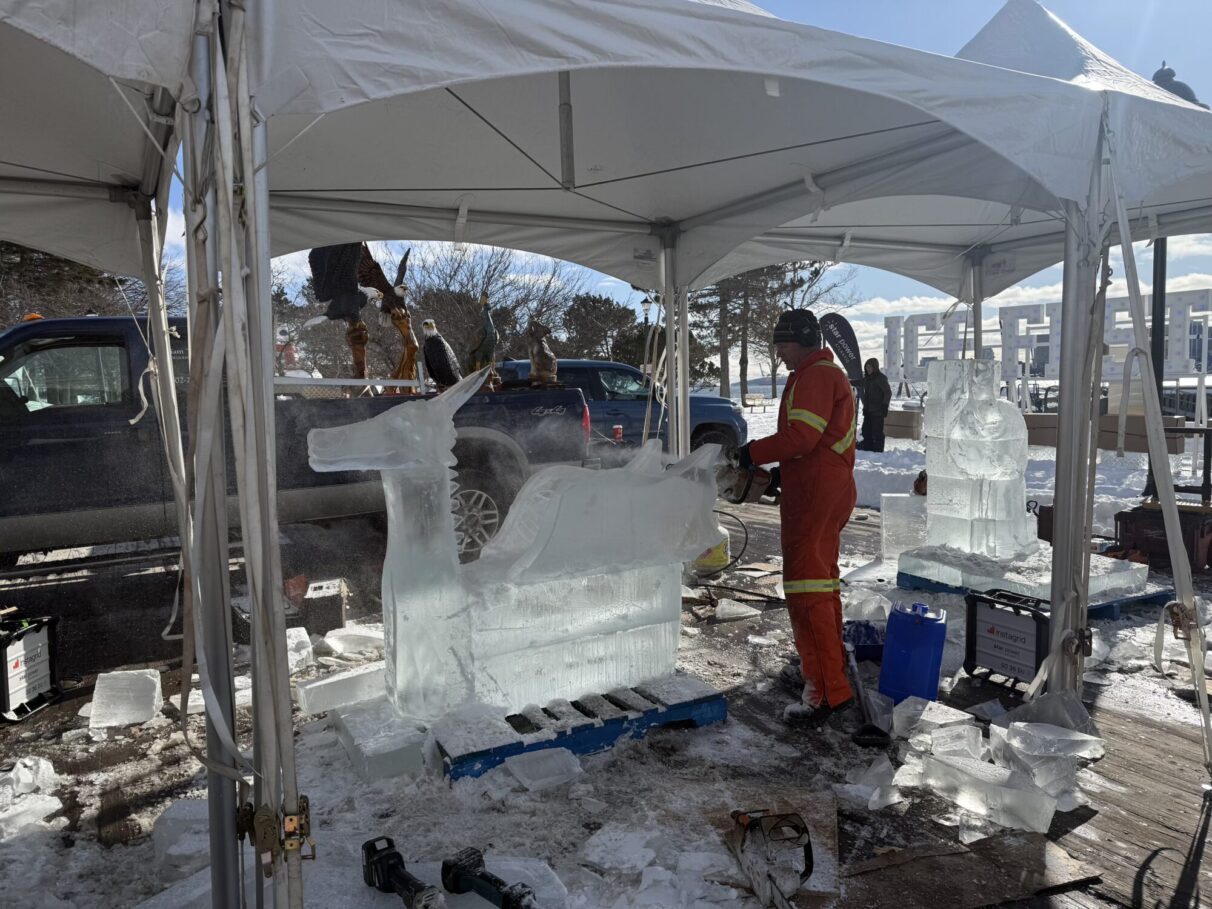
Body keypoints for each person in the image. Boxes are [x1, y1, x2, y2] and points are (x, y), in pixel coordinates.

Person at [738, 309, 857, 726]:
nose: (781, 356)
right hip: (817, 487)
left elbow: (803, 437)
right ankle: (830, 675)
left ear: (803, 341)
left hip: (816, 495)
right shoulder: (812, 375)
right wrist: (782, 474)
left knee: (807, 592)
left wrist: (750, 453)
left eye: (784, 347)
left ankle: (826, 693)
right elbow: (814, 444)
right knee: (821, 587)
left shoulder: (818, 376)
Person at [858, 357, 891, 452]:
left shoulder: (881, 378)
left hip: (878, 411)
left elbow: (887, 393)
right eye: (867, 367)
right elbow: (860, 382)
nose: (868, 369)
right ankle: (868, 450)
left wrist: (885, 406)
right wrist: (848, 381)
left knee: (877, 433)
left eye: (870, 367)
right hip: (868, 410)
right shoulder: (867, 379)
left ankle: (878, 451)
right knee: (866, 432)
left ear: (875, 367)